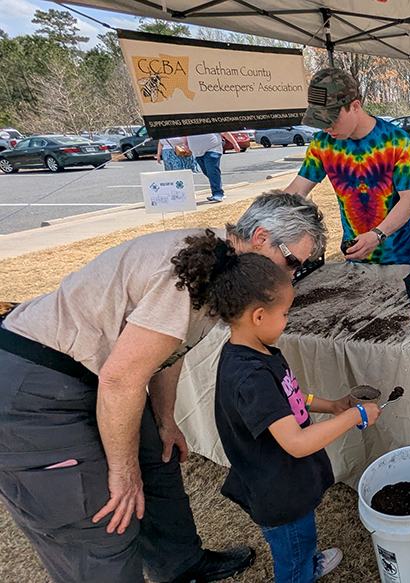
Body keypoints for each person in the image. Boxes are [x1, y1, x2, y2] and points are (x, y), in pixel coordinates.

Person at [0, 191, 327, 583]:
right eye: (292, 262)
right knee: (104, 517)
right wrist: (122, 471)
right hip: (40, 382)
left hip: (105, 376)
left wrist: (165, 418)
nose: (291, 275)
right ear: (259, 237)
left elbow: (171, 348)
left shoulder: (221, 268)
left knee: (159, 461)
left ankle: (181, 566)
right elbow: (120, 378)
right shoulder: (188, 272)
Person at [202, 242, 381, 583]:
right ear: (258, 315)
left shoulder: (258, 350)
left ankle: (306, 561)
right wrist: (354, 416)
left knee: (302, 539)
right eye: (284, 314)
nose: (287, 321)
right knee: (293, 553)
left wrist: (332, 405)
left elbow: (290, 395)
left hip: (286, 480)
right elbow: (297, 443)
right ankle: (301, 571)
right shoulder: (249, 377)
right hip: (276, 493)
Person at [285, 66, 410, 265]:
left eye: (332, 119)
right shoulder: (323, 143)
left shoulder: (396, 141)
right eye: (321, 121)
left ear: (355, 106)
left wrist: (377, 235)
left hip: (400, 255)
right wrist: (258, 220)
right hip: (355, 253)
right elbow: (297, 190)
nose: (327, 127)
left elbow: (409, 201)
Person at [188, 132, 240, 203]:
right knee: (207, 172)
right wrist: (186, 144)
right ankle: (218, 188)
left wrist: (235, 143)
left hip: (213, 149)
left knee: (212, 170)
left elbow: (224, 132)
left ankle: (218, 193)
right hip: (197, 152)